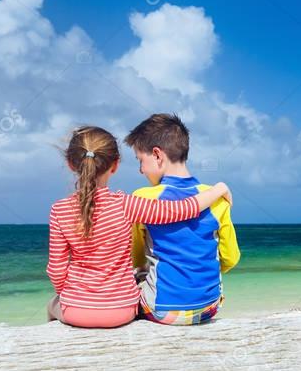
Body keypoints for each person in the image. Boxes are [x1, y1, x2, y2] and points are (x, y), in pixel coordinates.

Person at [46, 125, 232, 328]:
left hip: (77, 311)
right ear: (115, 165)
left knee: (51, 306)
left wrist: (73, 294)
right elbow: (182, 209)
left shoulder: (59, 210)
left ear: (71, 164)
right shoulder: (127, 204)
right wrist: (218, 189)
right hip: (123, 310)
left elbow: (56, 270)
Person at [125, 113, 240, 325]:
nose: (141, 170)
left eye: (141, 161)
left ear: (157, 155)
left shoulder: (143, 198)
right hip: (209, 307)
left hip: (161, 311)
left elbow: (136, 260)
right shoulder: (217, 198)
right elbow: (231, 258)